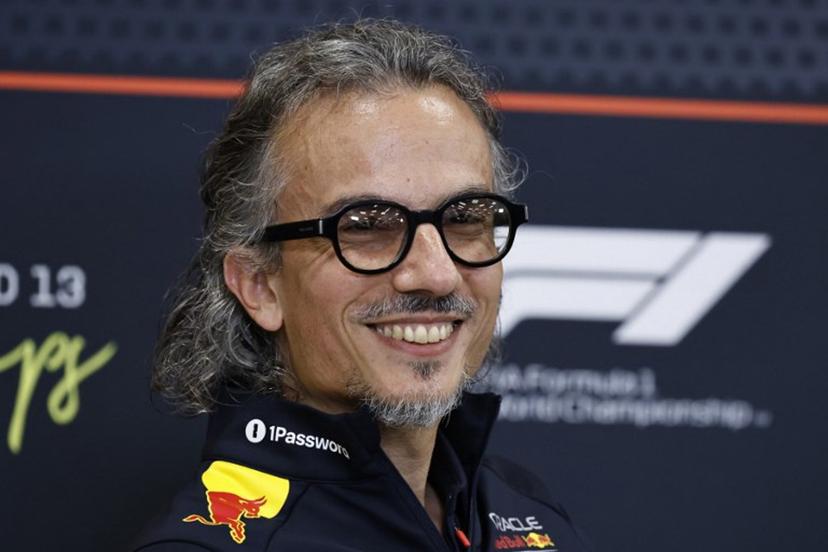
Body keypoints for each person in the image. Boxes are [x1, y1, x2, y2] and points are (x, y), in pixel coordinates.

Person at [133, 19, 591, 552]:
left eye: (466, 216)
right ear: (260, 285)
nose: (436, 272)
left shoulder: (527, 513)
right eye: (367, 225)